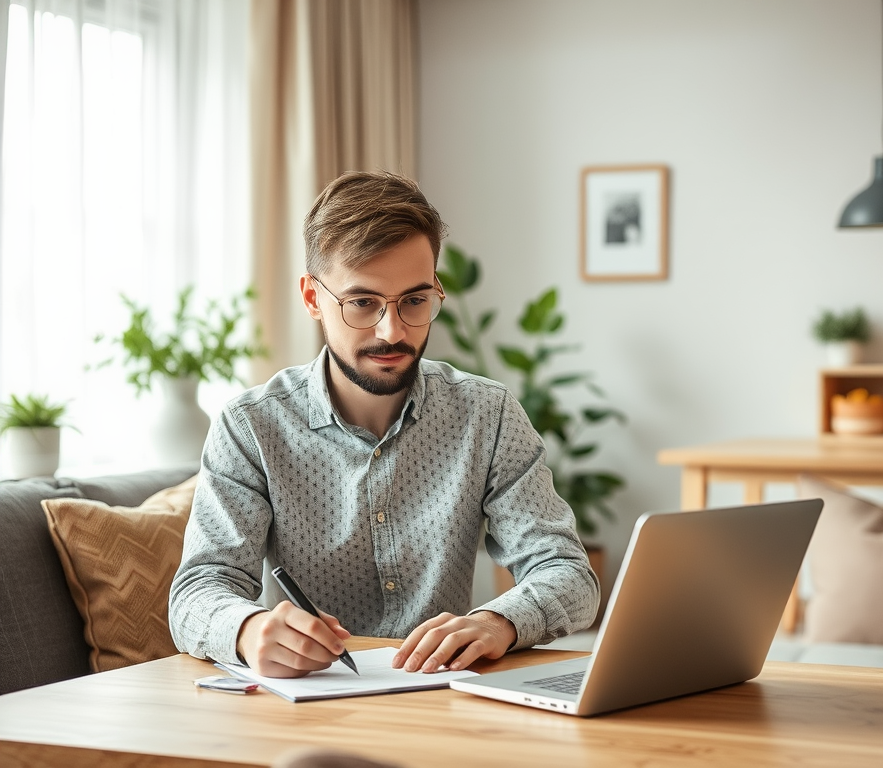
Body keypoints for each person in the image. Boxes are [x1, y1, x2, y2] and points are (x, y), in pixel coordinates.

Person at [169, 170, 598, 678]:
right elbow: (199, 590)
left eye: (415, 301)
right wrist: (246, 630)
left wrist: (497, 621)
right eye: (363, 303)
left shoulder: (489, 415)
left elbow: (568, 572)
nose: (391, 331)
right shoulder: (251, 428)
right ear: (312, 299)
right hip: (305, 710)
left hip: (441, 703)